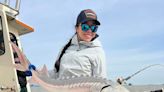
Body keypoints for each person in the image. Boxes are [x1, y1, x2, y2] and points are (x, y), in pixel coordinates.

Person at [53, 9, 107, 79]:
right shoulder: (65, 48)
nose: (89, 31)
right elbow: (55, 74)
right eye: (85, 27)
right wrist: (36, 72)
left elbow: (100, 83)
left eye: (94, 28)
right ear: (76, 28)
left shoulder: (98, 52)